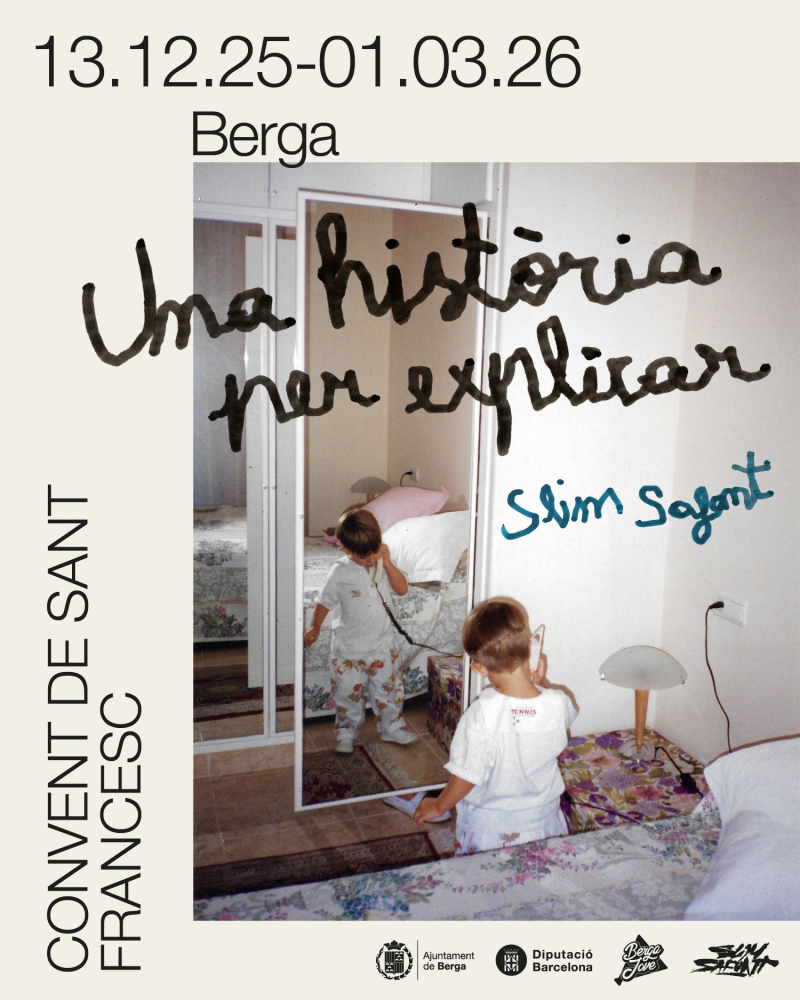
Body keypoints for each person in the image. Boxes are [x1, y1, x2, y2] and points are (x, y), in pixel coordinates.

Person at [413, 597, 577, 854]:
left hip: (492, 832)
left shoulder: (482, 715)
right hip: (544, 823)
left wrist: (438, 806)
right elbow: (563, 725)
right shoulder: (558, 702)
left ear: (479, 668)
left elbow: (467, 775)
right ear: (530, 649)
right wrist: (542, 684)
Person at [304, 509, 418, 754]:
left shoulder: (383, 564)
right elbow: (324, 601)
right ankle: (346, 732)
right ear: (345, 550)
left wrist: (387, 563)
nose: (370, 560)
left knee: (388, 691)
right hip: (348, 649)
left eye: (373, 552)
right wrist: (315, 626)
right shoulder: (340, 571)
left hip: (381, 646)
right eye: (363, 556)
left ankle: (391, 727)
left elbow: (402, 590)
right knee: (348, 695)